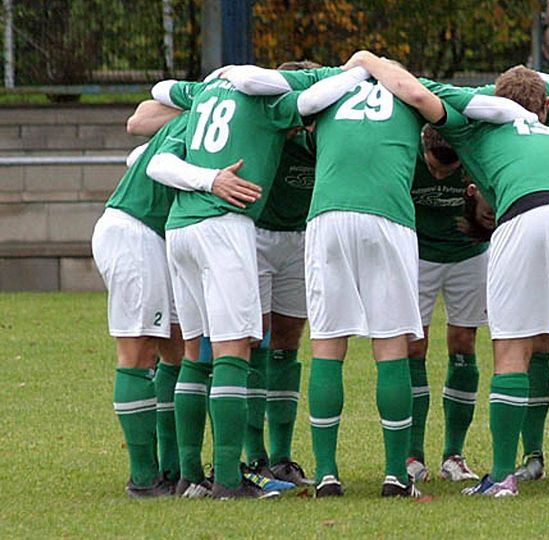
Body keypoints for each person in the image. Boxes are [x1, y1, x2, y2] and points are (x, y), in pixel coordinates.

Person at [223, 54, 535, 498]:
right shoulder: (413, 87)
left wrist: (220, 78)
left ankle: (328, 474)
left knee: (329, 345)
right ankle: (395, 474)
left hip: (328, 217)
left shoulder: (327, 83)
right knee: (391, 346)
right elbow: (489, 107)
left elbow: (258, 84)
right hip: (387, 219)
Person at [396, 65, 549, 497]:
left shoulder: (475, 131)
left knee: (513, 346)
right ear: (542, 107)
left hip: (527, 212)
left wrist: (367, 60)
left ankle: (501, 476)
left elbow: (418, 95)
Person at [147, 66, 367, 499]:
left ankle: (191, 475)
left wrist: (206, 175)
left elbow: (160, 105)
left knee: (196, 353)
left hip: (180, 228)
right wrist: (360, 68)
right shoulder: (271, 105)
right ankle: (230, 479)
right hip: (224, 227)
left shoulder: (207, 93)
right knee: (233, 352)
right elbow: (307, 102)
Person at [92, 110, 189, 498]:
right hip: (135, 231)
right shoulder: (206, 109)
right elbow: (140, 125)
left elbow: (137, 154)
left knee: (179, 348)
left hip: (161, 238)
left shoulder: (204, 114)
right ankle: (144, 477)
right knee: (138, 351)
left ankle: (175, 466)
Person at [242, 61, 321, 489]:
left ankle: (282, 455)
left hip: (299, 240)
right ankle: (253, 456)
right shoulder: (261, 132)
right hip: (255, 237)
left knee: (288, 340)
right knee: (254, 337)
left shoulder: (318, 137)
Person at [405, 126, 486, 484]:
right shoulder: (407, 154)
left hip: (468, 256)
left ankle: (454, 454)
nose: (439, 175)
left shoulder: (473, 158)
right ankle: (411, 454)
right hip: (417, 256)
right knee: (412, 345)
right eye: (434, 167)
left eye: (447, 171)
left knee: (464, 342)